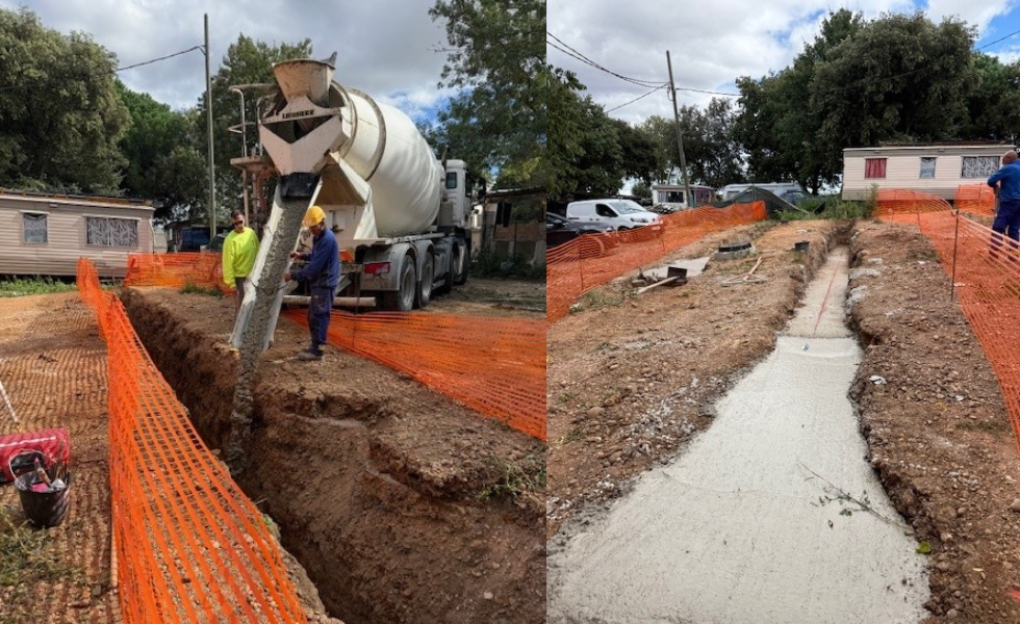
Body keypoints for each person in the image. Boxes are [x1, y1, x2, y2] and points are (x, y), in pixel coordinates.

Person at [284, 205, 340, 361]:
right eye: (310, 227)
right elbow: (315, 257)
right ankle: (315, 347)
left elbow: (314, 268)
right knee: (313, 316)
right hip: (320, 282)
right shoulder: (318, 237)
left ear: (322, 222)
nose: (312, 230)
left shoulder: (327, 239)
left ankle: (317, 351)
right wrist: (302, 256)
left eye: (314, 227)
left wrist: (293, 276)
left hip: (324, 283)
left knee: (319, 316)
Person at [222, 210, 260, 316]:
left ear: (244, 219)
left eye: (240, 222)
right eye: (236, 223)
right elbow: (227, 263)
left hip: (253, 276)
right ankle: (238, 330)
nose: (239, 225)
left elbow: (258, 251)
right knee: (241, 308)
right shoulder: (230, 240)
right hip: (240, 280)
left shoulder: (251, 233)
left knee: (254, 306)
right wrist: (231, 283)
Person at [987, 150, 1020, 256]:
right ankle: (1014, 253)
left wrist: (996, 186)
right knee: (1014, 227)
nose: (1002, 162)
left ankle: (995, 251)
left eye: (1003, 159)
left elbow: (991, 181)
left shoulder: (1008, 168)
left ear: (1009, 158)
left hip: (1009, 200)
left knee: (998, 226)